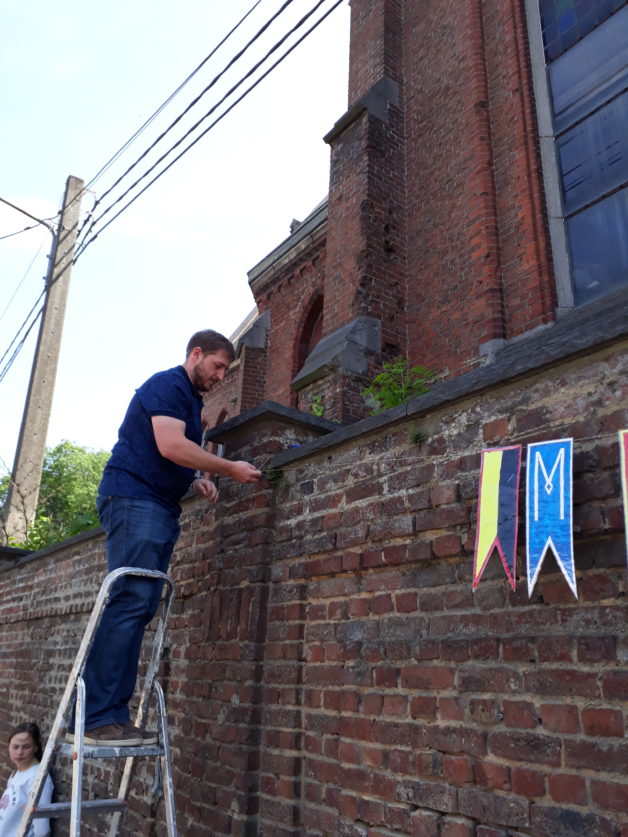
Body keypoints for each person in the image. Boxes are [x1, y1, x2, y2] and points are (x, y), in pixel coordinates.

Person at [67, 329, 261, 747]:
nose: (221, 376)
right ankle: (93, 717)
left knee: (139, 606)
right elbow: (171, 445)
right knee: (129, 601)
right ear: (196, 353)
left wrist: (193, 479)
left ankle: (111, 715)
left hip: (155, 505)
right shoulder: (168, 384)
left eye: (225, 370)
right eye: (218, 366)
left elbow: (168, 455)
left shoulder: (189, 400)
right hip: (134, 499)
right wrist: (229, 469)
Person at [0, 723, 53, 837]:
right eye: (15, 747)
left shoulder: (37, 778)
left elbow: (42, 830)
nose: (19, 752)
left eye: (26, 747)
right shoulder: (16, 773)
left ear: (36, 747)